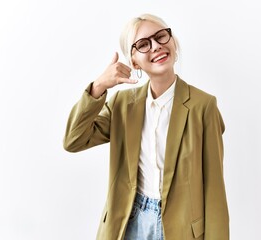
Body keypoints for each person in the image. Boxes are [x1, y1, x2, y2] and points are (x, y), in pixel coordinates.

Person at [63, 13, 229, 240]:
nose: (156, 47)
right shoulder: (121, 105)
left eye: (161, 37)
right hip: (129, 222)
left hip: (181, 229)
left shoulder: (203, 106)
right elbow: (74, 140)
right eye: (143, 44)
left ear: (173, 42)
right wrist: (99, 86)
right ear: (133, 61)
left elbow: (214, 189)